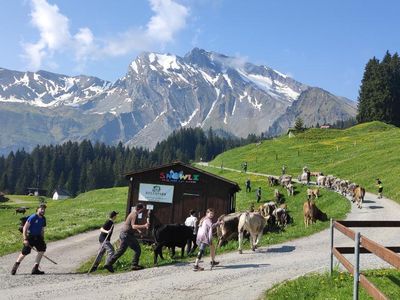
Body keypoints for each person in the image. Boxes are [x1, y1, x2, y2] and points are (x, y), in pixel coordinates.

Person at [104, 203, 149, 272]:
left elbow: (131, 225)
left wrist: (139, 230)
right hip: (127, 235)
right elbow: (133, 226)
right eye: (142, 210)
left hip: (124, 234)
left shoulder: (133, 213)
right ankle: (134, 265)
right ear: (138, 209)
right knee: (137, 249)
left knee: (121, 251)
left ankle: (109, 264)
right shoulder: (134, 214)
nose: (142, 212)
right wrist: (144, 226)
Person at [11, 204, 47, 275]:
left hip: (38, 237)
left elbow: (42, 229)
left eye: (44, 209)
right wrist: (25, 239)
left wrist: (42, 238)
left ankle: (35, 269)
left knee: (42, 250)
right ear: (37, 209)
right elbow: (25, 228)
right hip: (30, 237)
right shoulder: (33, 217)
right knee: (25, 252)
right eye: (41, 209)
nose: (43, 210)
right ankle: (15, 267)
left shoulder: (43, 218)